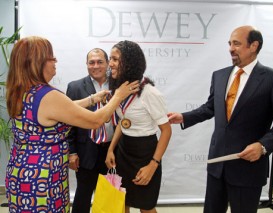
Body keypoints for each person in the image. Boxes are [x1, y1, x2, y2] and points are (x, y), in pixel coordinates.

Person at [168, 25, 273, 213]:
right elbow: (210, 107)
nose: (231, 48)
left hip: (248, 168)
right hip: (217, 164)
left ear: (254, 46)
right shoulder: (220, 76)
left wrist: (262, 146)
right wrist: (184, 117)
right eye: (229, 43)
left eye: (236, 43)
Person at [5, 36, 139, 213]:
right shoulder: (48, 95)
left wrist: (92, 99)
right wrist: (118, 96)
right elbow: (95, 120)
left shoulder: (21, 90)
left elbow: (62, 110)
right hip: (42, 178)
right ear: (37, 62)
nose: (55, 61)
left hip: (23, 171)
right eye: (51, 57)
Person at [105, 40, 172, 213]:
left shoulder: (150, 93)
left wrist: (152, 165)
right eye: (110, 58)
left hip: (145, 153)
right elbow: (123, 121)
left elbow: (166, 131)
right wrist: (111, 149)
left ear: (129, 63)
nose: (110, 63)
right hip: (123, 151)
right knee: (121, 203)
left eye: (115, 59)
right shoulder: (120, 89)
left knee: (146, 206)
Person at [66, 48, 114, 213]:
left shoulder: (118, 86)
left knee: (110, 197)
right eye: (91, 62)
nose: (95, 66)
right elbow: (69, 123)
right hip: (86, 151)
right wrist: (71, 152)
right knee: (82, 197)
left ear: (107, 63)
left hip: (112, 151)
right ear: (86, 64)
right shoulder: (75, 87)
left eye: (100, 62)